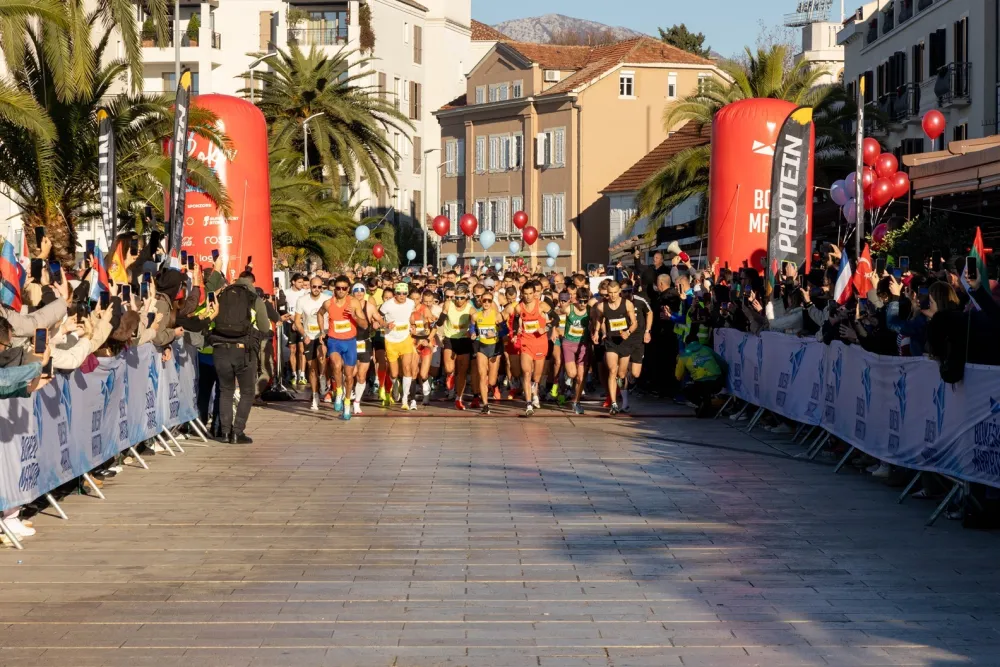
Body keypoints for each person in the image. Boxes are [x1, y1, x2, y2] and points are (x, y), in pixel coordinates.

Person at [210, 270, 271, 444]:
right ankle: (238, 432)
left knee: (225, 391)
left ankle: (225, 432)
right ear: (252, 282)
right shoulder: (254, 298)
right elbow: (265, 327)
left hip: (220, 349)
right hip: (244, 351)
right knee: (247, 392)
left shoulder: (221, 295)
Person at [317, 275, 368, 420]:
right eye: (338, 288)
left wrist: (355, 317)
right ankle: (338, 391)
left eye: (343, 288)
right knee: (336, 364)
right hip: (334, 340)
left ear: (348, 290)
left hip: (350, 342)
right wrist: (322, 331)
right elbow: (320, 314)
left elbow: (364, 325)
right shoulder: (328, 303)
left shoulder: (354, 303)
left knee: (350, 376)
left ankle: (347, 403)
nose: (340, 291)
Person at [592, 279, 637, 415]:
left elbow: (634, 323)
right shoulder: (601, 306)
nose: (612, 296)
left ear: (619, 292)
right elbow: (600, 319)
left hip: (624, 341)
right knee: (612, 370)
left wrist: (628, 332)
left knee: (621, 373)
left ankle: (625, 401)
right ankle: (613, 403)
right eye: (610, 293)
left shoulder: (627, 304)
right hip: (611, 342)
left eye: (615, 293)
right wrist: (597, 332)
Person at [380, 282, 418, 410]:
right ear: (395, 293)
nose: (402, 296)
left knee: (407, 368)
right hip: (391, 340)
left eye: (404, 293)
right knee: (395, 373)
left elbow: (411, 316)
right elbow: (378, 318)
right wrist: (385, 325)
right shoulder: (387, 305)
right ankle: (395, 384)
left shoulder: (410, 303)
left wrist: (413, 326)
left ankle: (405, 398)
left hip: (405, 338)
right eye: (399, 293)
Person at [294, 277, 330, 411]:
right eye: (314, 287)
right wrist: (304, 335)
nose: (316, 289)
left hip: (323, 335)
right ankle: (315, 395)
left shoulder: (326, 300)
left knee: (322, 357)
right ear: (309, 286)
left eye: (319, 287)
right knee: (312, 367)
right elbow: (297, 321)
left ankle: (323, 377)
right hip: (309, 336)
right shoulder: (302, 300)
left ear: (322, 288)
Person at [517, 280, 551, 417]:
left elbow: (555, 318)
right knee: (526, 372)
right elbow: (514, 320)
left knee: (536, 375)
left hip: (540, 342)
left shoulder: (542, 305)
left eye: (530, 293)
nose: (528, 296)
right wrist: (516, 331)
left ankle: (534, 386)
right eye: (525, 294)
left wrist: (546, 328)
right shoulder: (519, 307)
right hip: (526, 341)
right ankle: (528, 403)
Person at [675, 324, 725, 417]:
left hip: (701, 384)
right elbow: (723, 363)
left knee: (687, 390)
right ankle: (706, 405)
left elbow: (678, 376)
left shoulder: (683, 356)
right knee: (705, 389)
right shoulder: (707, 349)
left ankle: (704, 405)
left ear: (686, 344)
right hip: (717, 382)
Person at [437, 282, 474, 409]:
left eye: (461, 298)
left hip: (464, 340)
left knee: (462, 372)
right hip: (450, 338)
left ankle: (459, 398)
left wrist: (473, 331)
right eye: (456, 297)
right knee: (449, 368)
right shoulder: (448, 304)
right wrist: (443, 313)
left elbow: (475, 321)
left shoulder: (470, 308)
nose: (458, 300)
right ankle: (450, 376)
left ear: (466, 298)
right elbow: (440, 322)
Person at [470, 284, 503, 414]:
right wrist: (473, 333)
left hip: (494, 347)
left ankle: (494, 386)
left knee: (492, 379)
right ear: (481, 301)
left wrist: (495, 333)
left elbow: (505, 330)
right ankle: (485, 404)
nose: (487, 303)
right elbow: (472, 327)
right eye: (484, 300)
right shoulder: (476, 316)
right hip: (481, 347)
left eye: (489, 300)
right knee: (482, 376)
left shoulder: (497, 315)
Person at [352, 283, 384, 415]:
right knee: (350, 373)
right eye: (356, 291)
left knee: (361, 375)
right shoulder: (347, 305)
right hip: (349, 342)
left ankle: (357, 402)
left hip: (365, 342)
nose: (359, 293)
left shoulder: (369, 306)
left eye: (361, 291)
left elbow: (380, 320)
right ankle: (347, 394)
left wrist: (379, 324)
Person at [561, 287, 591, 415]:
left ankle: (576, 401)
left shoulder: (590, 310)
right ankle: (568, 381)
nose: (583, 304)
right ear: (576, 299)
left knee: (580, 376)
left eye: (585, 301)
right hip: (568, 343)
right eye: (581, 301)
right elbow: (558, 316)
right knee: (572, 374)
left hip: (583, 344)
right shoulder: (569, 309)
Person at [411, 288, 438, 406]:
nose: (415, 301)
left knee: (423, 374)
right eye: (412, 299)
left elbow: (435, 326)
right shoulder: (406, 310)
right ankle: (411, 398)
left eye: (417, 299)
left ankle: (426, 393)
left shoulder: (425, 309)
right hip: (412, 342)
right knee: (413, 371)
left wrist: (428, 339)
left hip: (426, 343)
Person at [283, 273, 308, 384]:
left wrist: (298, 320)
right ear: (293, 282)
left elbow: (307, 309)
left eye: (302, 282)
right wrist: (292, 319)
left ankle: (302, 374)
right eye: (299, 282)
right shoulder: (286, 292)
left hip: (302, 324)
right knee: (292, 350)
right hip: (290, 324)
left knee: (302, 350)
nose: (301, 284)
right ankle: (294, 374)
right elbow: (282, 308)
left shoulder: (305, 293)